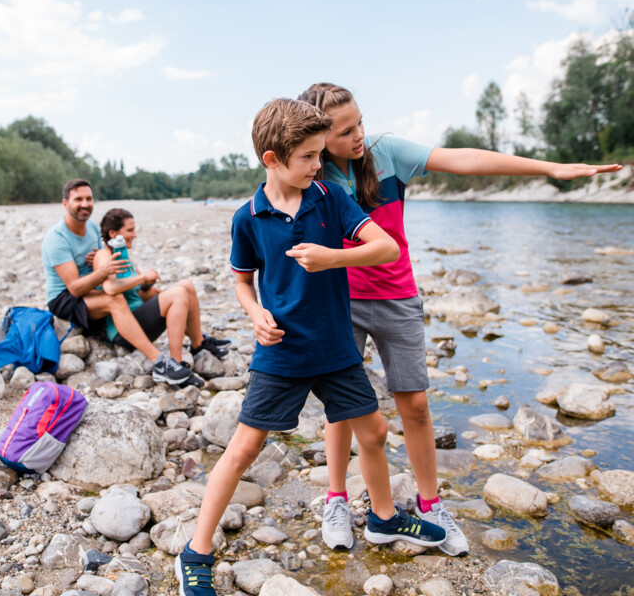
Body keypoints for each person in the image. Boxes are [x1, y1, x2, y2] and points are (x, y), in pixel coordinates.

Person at [299, 82, 623, 556]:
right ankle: (337, 499)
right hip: (338, 303)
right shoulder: (311, 169)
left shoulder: (387, 154)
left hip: (396, 298)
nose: (359, 135)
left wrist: (550, 168)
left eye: (360, 122)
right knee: (344, 408)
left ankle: (431, 506)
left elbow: (465, 159)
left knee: (416, 407)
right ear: (319, 137)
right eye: (345, 131)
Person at [175, 98, 447, 596]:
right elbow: (241, 281)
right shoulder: (248, 217)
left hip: (337, 347)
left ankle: (383, 517)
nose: (319, 164)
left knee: (374, 429)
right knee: (244, 448)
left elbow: (385, 247)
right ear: (272, 159)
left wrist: (332, 257)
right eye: (307, 156)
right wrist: (255, 314)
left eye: (320, 154)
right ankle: (195, 550)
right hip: (282, 352)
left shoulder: (330, 199)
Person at [41, 178, 195, 385]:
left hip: (93, 286)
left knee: (155, 292)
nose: (85, 203)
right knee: (114, 299)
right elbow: (74, 288)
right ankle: (159, 362)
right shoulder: (57, 238)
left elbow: (102, 256)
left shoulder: (93, 229)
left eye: (89, 198)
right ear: (65, 203)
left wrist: (100, 259)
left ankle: (198, 339)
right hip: (66, 298)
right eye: (78, 199)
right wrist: (103, 270)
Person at [93, 207, 230, 385]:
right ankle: (175, 363)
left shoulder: (126, 259)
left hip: (139, 317)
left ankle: (198, 344)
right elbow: (110, 288)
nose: (134, 235)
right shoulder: (103, 255)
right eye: (130, 230)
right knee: (178, 294)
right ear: (113, 233)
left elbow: (139, 290)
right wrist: (142, 277)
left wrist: (148, 282)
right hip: (125, 330)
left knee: (186, 285)